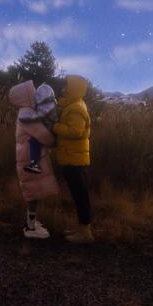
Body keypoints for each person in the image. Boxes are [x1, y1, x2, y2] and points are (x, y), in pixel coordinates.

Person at [8, 80, 59, 238]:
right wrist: (54, 140)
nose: (35, 94)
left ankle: (31, 222)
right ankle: (30, 228)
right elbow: (43, 135)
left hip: (27, 155)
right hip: (29, 157)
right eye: (32, 92)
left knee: (34, 191)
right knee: (33, 192)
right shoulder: (27, 113)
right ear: (26, 96)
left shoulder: (26, 111)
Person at [54, 74, 93, 243]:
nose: (63, 89)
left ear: (73, 89)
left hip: (75, 160)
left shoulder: (76, 108)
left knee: (80, 196)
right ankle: (81, 229)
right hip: (72, 157)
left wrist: (54, 127)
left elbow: (76, 132)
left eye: (66, 86)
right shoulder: (72, 105)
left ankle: (85, 233)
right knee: (78, 195)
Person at [17, 82, 58, 174]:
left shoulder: (49, 105)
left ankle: (35, 164)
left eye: (39, 95)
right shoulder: (50, 103)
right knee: (34, 141)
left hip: (52, 131)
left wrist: (24, 118)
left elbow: (38, 116)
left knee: (34, 141)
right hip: (49, 129)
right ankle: (36, 164)